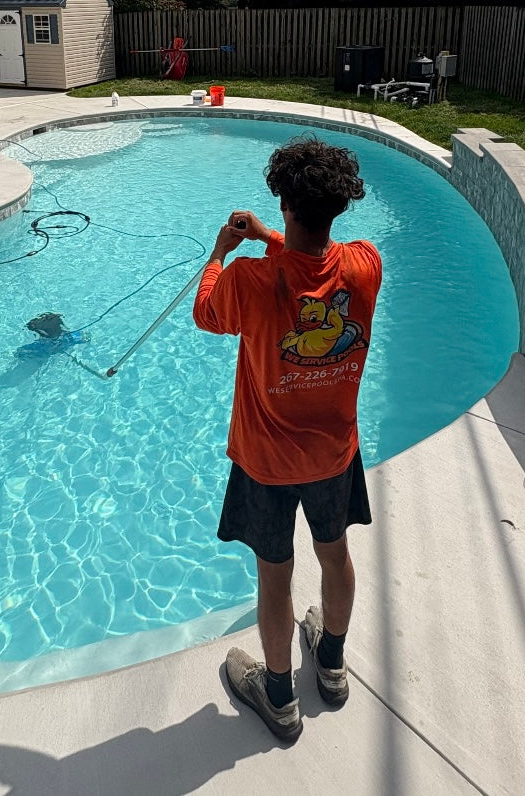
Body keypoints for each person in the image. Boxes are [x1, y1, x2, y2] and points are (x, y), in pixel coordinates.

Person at [192, 136, 381, 743]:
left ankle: (278, 696)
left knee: (275, 576)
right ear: (340, 207)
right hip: (334, 455)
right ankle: (331, 664)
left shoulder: (249, 279)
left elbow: (205, 313)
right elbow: (314, 266)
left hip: (266, 462)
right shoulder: (365, 265)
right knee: (335, 555)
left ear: (284, 202)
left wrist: (221, 251)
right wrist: (272, 236)